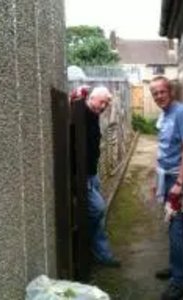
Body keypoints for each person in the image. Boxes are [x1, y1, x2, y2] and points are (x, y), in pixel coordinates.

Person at [150, 76, 183, 300]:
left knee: (176, 227)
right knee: (171, 225)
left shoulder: (182, 113)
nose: (158, 96)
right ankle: (177, 266)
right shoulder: (165, 114)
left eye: (161, 91)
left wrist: (179, 183)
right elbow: (163, 147)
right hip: (165, 177)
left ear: (170, 91)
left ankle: (180, 280)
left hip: (177, 180)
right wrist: (156, 178)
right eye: (155, 93)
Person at [70, 85, 121, 268]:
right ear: (91, 98)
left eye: (106, 103)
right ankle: (86, 242)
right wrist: (75, 97)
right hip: (81, 176)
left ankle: (101, 252)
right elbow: (73, 106)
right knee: (98, 209)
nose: (103, 106)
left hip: (92, 174)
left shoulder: (94, 116)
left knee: (99, 216)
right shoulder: (80, 111)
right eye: (101, 102)